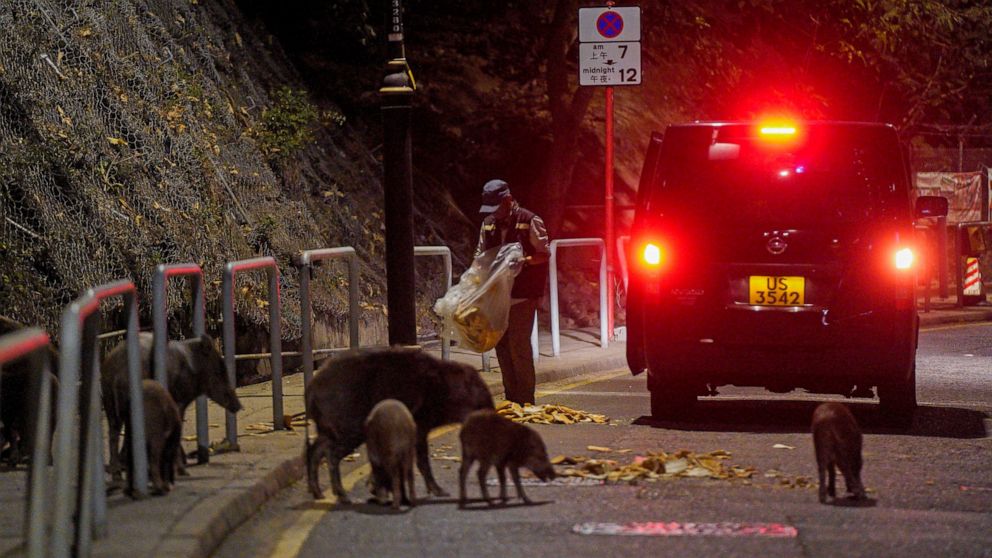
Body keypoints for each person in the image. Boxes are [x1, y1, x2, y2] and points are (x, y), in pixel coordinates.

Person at [476, 179, 550, 405]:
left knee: (519, 345)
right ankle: (511, 399)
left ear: (508, 200)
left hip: (522, 296)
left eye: (496, 207)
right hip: (496, 297)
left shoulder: (529, 220)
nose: (494, 214)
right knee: (502, 346)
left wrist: (524, 261)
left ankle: (526, 399)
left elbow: (544, 254)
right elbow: (479, 256)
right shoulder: (488, 224)